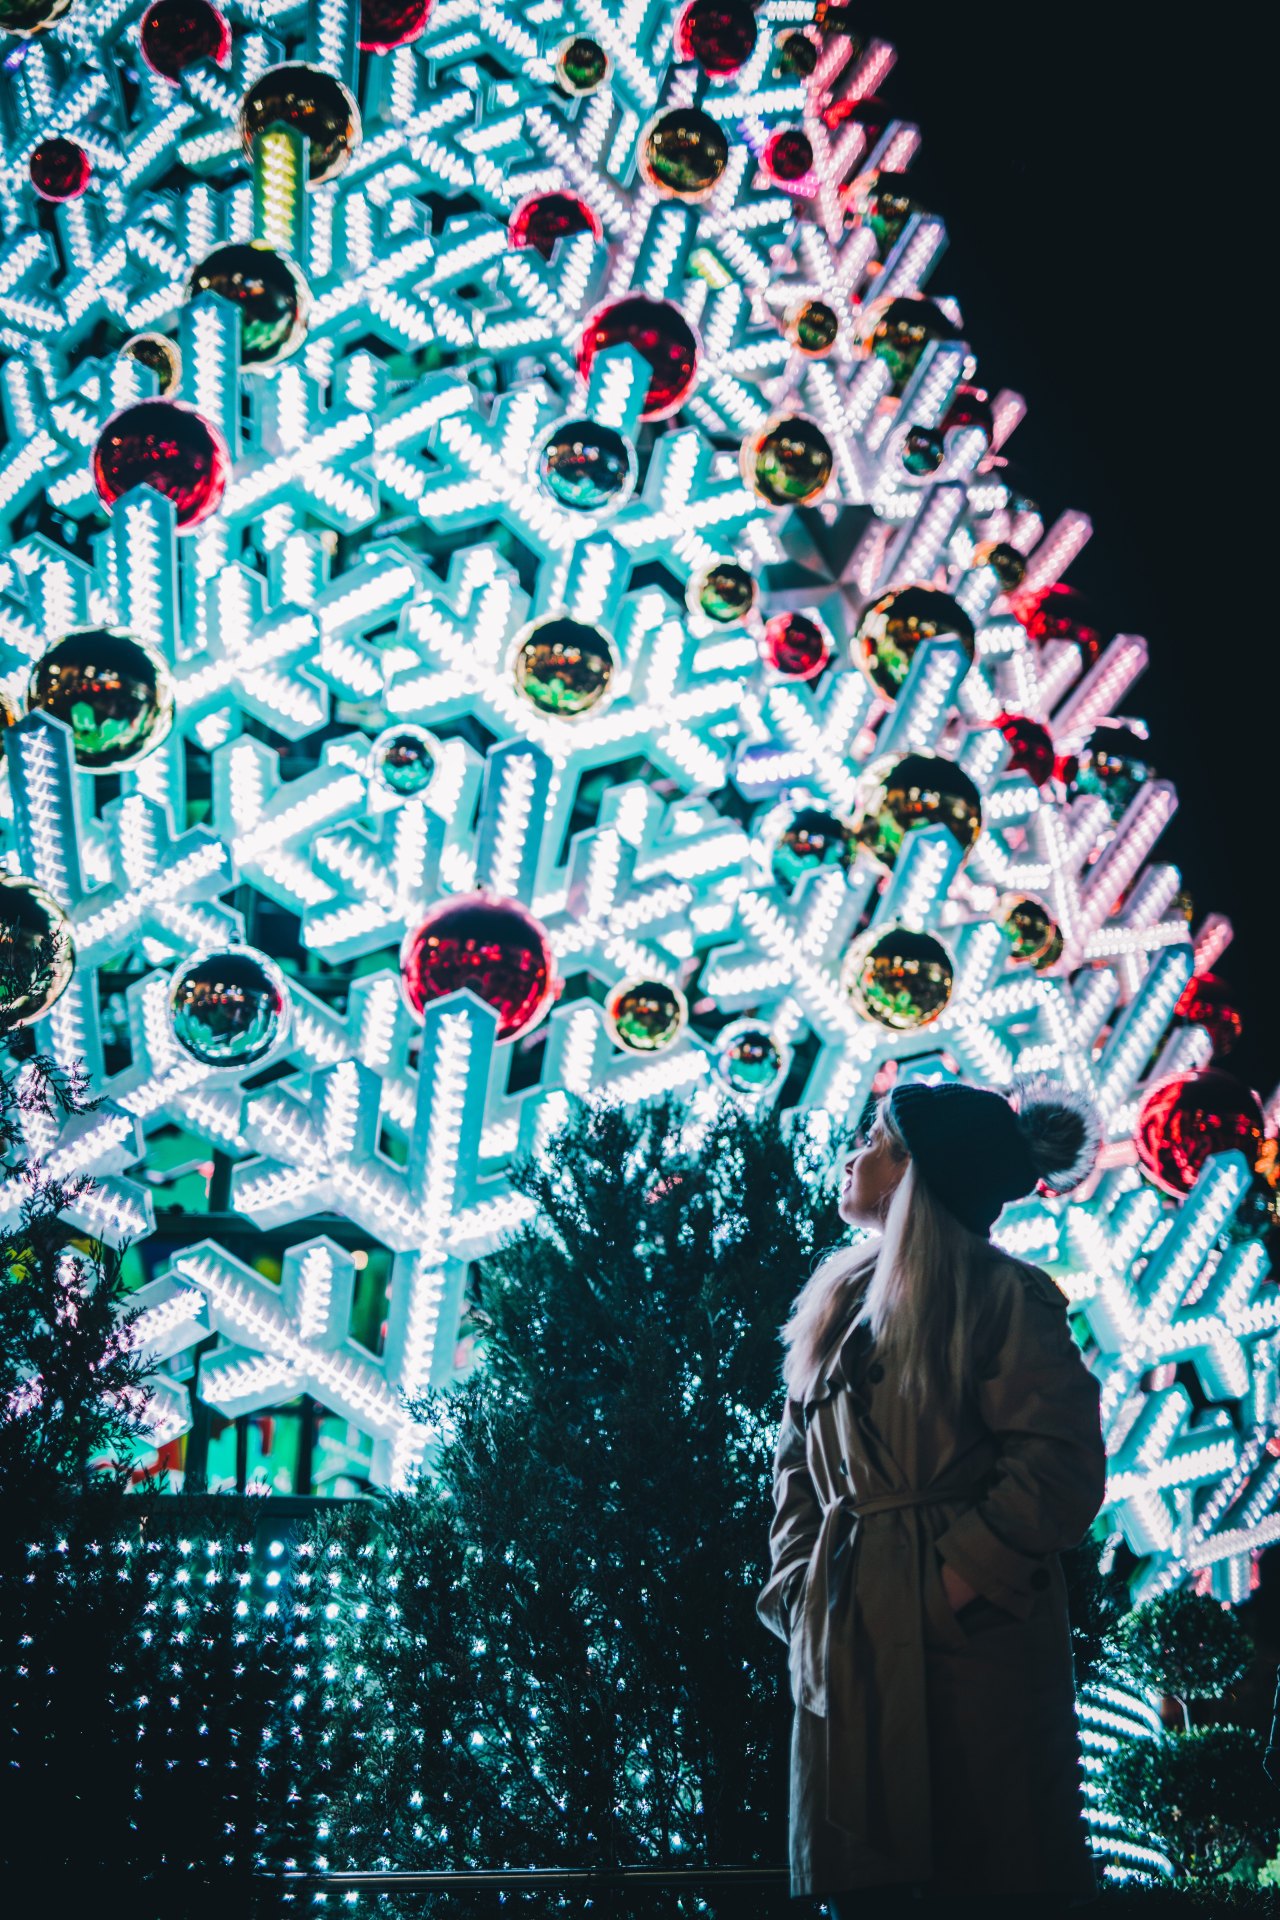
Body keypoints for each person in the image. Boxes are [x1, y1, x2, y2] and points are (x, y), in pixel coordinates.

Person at [757, 1078, 1109, 1918]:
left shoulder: (1002, 1296)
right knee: (866, 1883)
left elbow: (1058, 1465)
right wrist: (799, 1597)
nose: (854, 1154)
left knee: (979, 1871)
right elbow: (796, 1473)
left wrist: (947, 1589)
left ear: (918, 1173)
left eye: (877, 1141)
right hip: (849, 1635)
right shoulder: (833, 1306)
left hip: (971, 1648)